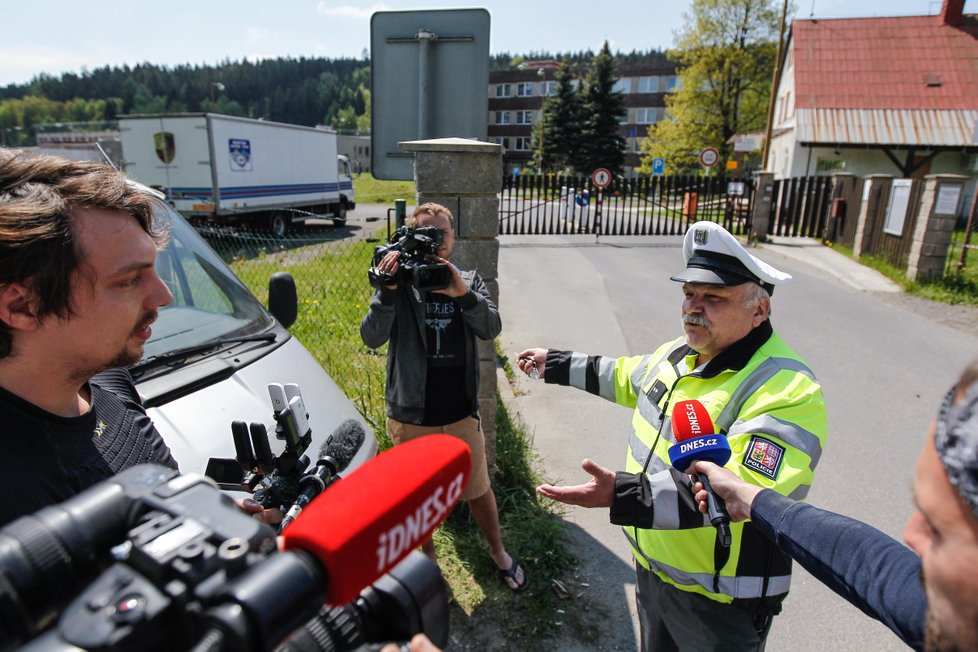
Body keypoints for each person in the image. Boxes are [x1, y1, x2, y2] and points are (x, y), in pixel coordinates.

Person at [518, 221, 827, 650]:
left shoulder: (786, 389)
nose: (692, 308)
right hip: (654, 570)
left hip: (719, 602)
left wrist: (621, 495)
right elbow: (625, 376)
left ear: (759, 310)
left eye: (713, 298)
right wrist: (555, 362)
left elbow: (738, 493)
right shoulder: (680, 353)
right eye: (688, 293)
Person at [689, 361, 978, 652]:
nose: (911, 535)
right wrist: (747, 498)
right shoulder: (953, 605)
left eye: (939, 530)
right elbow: (870, 566)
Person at [0, 149, 180, 527]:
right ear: (22, 307)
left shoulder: (105, 379)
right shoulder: (15, 501)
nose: (164, 295)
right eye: (129, 279)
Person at [360, 202, 527, 592]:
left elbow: (491, 327)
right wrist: (387, 292)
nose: (436, 240)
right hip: (411, 411)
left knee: (478, 487)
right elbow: (371, 337)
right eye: (426, 232)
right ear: (411, 236)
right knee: (415, 496)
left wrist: (463, 292)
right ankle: (428, 560)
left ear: (453, 237)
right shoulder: (400, 282)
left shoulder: (467, 278)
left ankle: (497, 551)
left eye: (442, 233)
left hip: (459, 409)